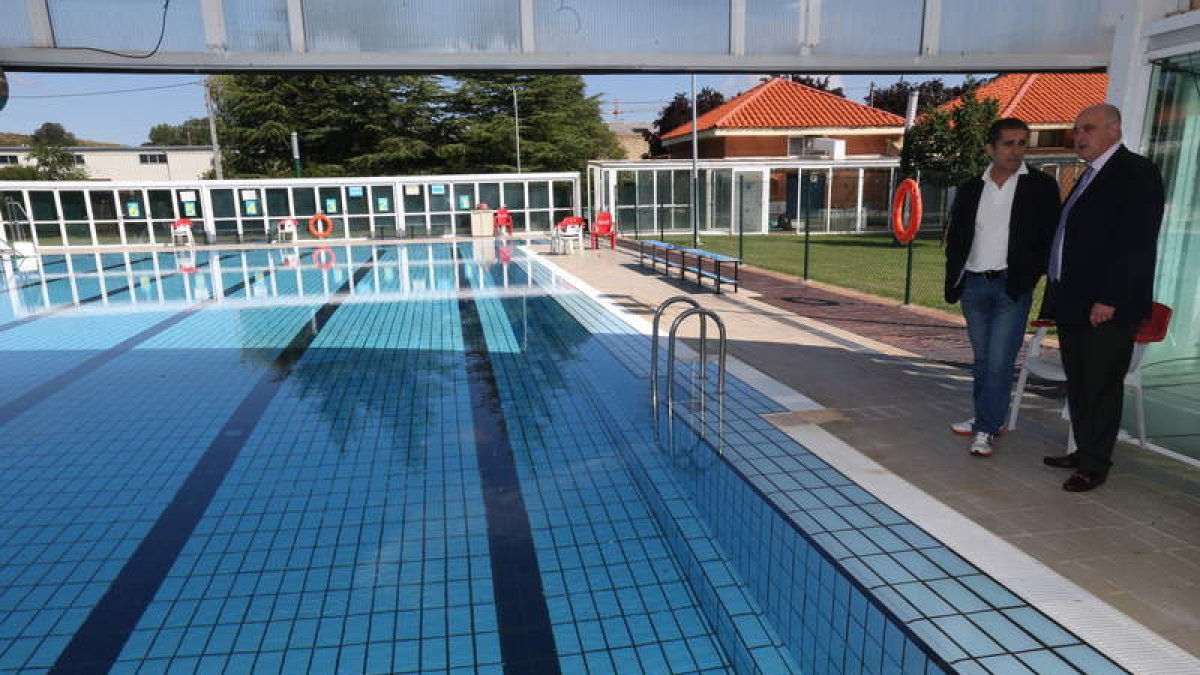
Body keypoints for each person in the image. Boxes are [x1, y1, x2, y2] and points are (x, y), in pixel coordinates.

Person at [1041, 104, 1165, 492]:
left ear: (1114, 130)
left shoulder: (1136, 173)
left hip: (1106, 308)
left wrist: (1110, 299)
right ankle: (1083, 450)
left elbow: (1135, 244)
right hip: (1075, 302)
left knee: (1101, 386)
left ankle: (1095, 465)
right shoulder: (1090, 175)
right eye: (1077, 129)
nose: (1079, 135)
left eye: (1088, 128)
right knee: (1078, 383)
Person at [944, 118, 1060, 457]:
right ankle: (987, 417)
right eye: (1009, 143)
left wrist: (1028, 276)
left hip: (1011, 285)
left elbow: (1049, 239)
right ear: (990, 148)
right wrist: (957, 277)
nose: (1016, 150)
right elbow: (958, 236)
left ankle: (985, 429)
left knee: (998, 362)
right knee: (982, 360)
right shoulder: (970, 188)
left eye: (1022, 143)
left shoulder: (1040, 187)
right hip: (974, 284)